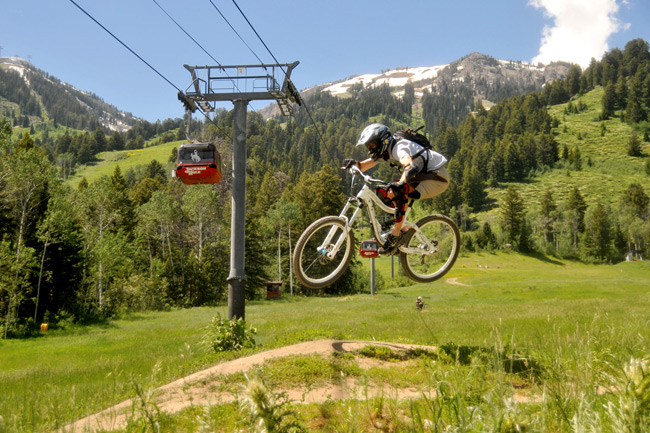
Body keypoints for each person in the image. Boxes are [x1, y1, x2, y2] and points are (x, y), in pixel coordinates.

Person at [343, 123, 449, 254]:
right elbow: (364, 165)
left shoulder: (399, 147)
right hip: (423, 176)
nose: (370, 149)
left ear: (383, 141)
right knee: (383, 192)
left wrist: (401, 183)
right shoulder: (386, 150)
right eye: (368, 146)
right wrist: (353, 164)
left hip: (437, 178)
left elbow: (408, 163)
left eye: (372, 145)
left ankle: (396, 234)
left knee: (399, 190)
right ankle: (404, 230)